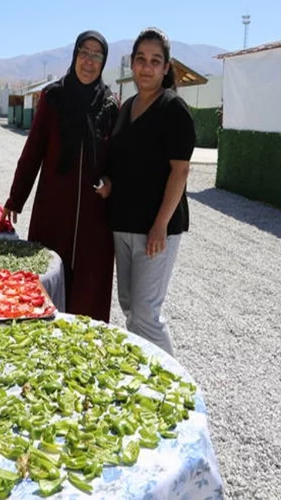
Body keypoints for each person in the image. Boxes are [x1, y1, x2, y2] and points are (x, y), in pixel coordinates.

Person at [1, 30, 119, 322]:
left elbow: (117, 158)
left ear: (103, 62)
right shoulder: (53, 98)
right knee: (47, 281)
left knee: (89, 294)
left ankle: (85, 350)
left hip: (94, 220)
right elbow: (33, 152)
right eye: (84, 52)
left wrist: (110, 181)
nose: (89, 61)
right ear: (75, 55)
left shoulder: (109, 105)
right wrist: (16, 199)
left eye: (96, 55)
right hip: (53, 212)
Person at [101, 27, 196, 355]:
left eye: (155, 60)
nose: (146, 66)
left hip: (156, 230)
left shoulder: (173, 110)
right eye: (140, 59)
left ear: (166, 67)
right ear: (131, 63)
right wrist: (109, 183)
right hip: (123, 224)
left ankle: (176, 389)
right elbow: (119, 162)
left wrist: (160, 225)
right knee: (130, 306)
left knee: (147, 314)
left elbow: (180, 171)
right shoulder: (126, 107)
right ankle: (146, 374)